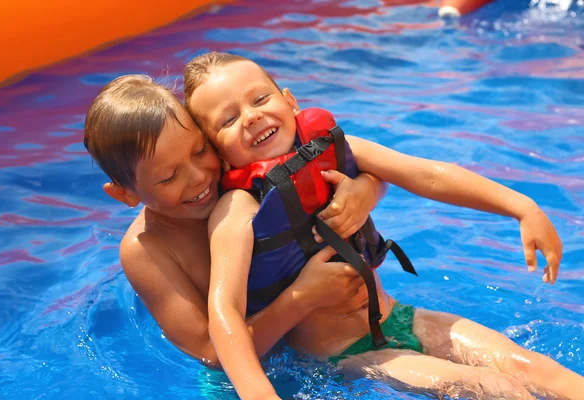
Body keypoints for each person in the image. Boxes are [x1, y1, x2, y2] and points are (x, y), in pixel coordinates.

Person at [183, 51, 583, 400]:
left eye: (260, 98)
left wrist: (522, 206)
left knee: (535, 369)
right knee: (496, 389)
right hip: (345, 353)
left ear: (290, 101)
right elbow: (225, 312)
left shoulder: (339, 149)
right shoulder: (237, 210)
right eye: (229, 119)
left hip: (401, 318)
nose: (251, 117)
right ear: (218, 153)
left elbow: (427, 175)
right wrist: (259, 394)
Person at [83, 74, 387, 368]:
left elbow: (354, 164)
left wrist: (365, 191)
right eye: (169, 177)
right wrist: (302, 298)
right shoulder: (147, 249)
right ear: (124, 194)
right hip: (261, 370)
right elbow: (209, 353)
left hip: (351, 327)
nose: (199, 177)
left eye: (201, 151)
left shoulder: (240, 170)